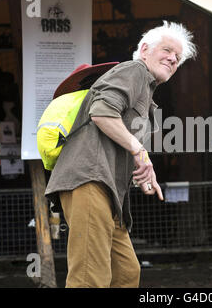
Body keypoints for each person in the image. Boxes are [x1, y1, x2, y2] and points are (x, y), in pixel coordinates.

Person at [45, 21, 197, 288]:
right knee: (89, 278)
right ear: (144, 49)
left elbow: (122, 137)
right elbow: (102, 113)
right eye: (167, 50)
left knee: (125, 272)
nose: (173, 58)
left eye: (178, 57)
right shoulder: (134, 70)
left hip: (109, 192)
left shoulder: (146, 91)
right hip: (88, 180)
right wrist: (139, 151)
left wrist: (144, 164)